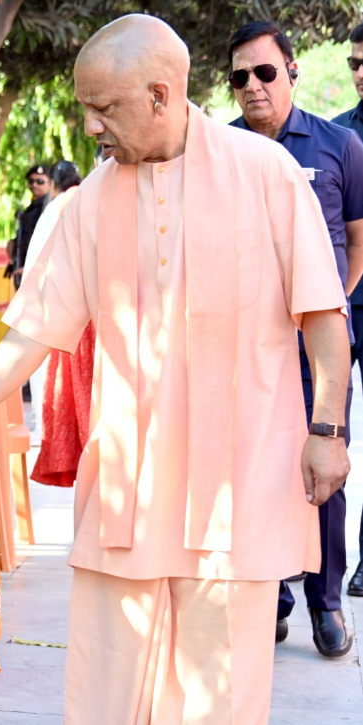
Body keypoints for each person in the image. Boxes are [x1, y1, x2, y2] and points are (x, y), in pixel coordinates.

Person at [0, 14, 351, 724]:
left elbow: (323, 314)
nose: (89, 127)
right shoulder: (87, 206)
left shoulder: (265, 174)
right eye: (85, 106)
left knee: (220, 694)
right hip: (127, 494)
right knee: (107, 690)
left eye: (103, 108)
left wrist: (327, 427)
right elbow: (34, 329)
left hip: (235, 485)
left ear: (159, 94)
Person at [228, 20, 363, 657]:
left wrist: (325, 308)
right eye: (238, 78)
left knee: (324, 473)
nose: (252, 87)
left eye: (264, 72)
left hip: (319, 352)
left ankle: (326, 603)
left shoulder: (339, 145)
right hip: (248, 353)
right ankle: (271, 598)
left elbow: (357, 244)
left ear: (292, 72)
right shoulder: (219, 153)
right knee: (257, 475)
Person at [20, 161, 85, 449]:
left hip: (50, 299)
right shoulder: (81, 200)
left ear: (55, 184)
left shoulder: (58, 206)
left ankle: (53, 425)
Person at [332, 21, 363, 600]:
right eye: (356, 61)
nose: (361, 71)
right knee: (328, 433)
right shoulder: (337, 135)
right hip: (341, 307)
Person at [5, 164, 50, 289]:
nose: (34, 185)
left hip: (40, 274)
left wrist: (32, 268)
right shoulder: (27, 211)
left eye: (40, 181)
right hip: (24, 272)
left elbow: (48, 244)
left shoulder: (49, 209)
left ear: (50, 184)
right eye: (31, 181)